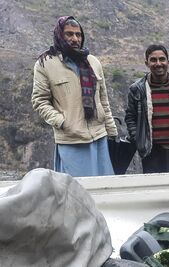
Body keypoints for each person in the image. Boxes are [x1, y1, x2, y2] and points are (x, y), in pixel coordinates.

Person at [31, 16, 117, 177]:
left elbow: (103, 99)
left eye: (78, 35)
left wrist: (111, 131)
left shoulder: (93, 62)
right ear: (59, 35)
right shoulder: (45, 63)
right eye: (69, 34)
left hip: (99, 138)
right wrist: (62, 122)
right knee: (75, 191)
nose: (75, 39)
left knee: (104, 189)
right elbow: (39, 101)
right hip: (71, 139)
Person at [125, 45, 169, 173]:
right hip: (151, 153)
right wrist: (139, 139)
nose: (158, 63)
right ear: (146, 63)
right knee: (154, 190)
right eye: (153, 60)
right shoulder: (137, 89)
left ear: (168, 62)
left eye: (162, 59)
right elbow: (130, 117)